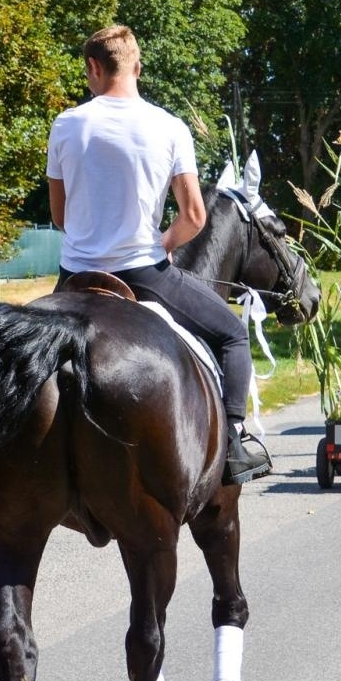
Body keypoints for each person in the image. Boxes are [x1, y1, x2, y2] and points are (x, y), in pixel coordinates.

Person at [47, 25, 268, 483]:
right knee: (231, 337)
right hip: (143, 273)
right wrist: (163, 243)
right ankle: (232, 446)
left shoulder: (66, 124)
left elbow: (60, 215)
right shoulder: (169, 127)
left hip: (71, 278)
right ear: (138, 67)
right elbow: (195, 216)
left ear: (93, 67)